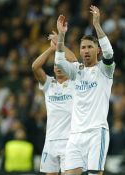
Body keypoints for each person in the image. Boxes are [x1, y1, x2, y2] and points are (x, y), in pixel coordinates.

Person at [55, 5, 115, 175]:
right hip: (75, 135)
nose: (86, 50)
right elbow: (59, 61)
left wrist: (96, 24)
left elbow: (109, 54)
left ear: (98, 50)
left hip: (96, 133)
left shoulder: (105, 70)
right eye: (83, 47)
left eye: (90, 47)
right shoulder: (76, 71)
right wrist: (61, 36)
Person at [32, 32, 76, 175]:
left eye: (61, 64)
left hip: (70, 141)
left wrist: (60, 45)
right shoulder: (49, 84)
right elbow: (35, 67)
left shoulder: (75, 82)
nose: (57, 67)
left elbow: (74, 60)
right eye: (55, 65)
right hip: (50, 140)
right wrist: (51, 49)